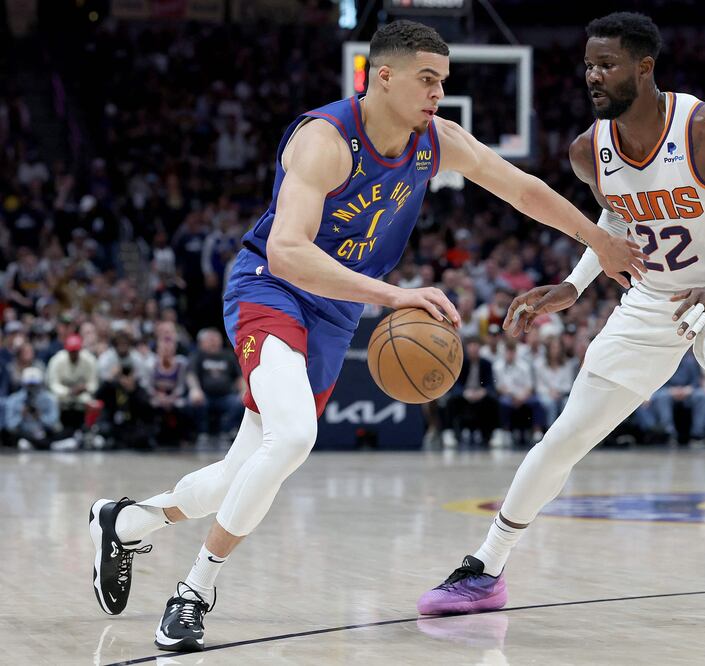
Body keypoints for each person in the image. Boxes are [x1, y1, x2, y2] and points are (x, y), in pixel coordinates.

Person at [86, 20, 644, 653]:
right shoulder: (324, 140)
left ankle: (127, 521)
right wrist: (395, 295)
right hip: (272, 289)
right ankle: (194, 592)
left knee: (240, 472)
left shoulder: (435, 141)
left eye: (443, 81)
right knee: (292, 437)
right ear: (383, 76)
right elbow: (288, 251)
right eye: (427, 79)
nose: (438, 93)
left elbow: (521, 189)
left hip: (336, 310)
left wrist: (597, 239)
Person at [420, 12, 705, 632]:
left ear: (644, 68)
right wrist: (573, 286)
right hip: (653, 299)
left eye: (606, 65)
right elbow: (618, 221)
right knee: (566, 436)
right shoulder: (589, 152)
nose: (593, 77)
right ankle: (485, 568)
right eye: (588, 66)